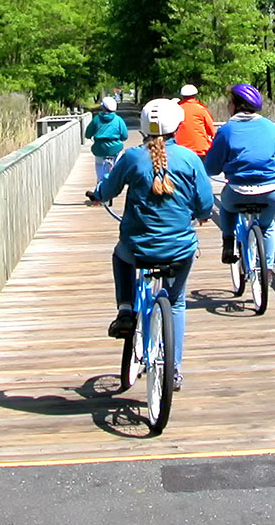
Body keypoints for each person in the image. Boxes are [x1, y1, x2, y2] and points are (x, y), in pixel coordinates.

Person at [86, 98, 213, 392]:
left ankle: (126, 309)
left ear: (142, 128)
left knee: (120, 255)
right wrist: (202, 216)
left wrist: (98, 195)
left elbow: (108, 189)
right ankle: (175, 369)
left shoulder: (131, 157)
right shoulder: (191, 159)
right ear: (178, 126)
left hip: (137, 247)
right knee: (177, 301)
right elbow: (205, 204)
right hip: (178, 249)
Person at [203, 83, 275, 271]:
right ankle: (267, 270)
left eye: (229, 102)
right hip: (269, 191)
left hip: (237, 191)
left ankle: (228, 242)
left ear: (235, 105)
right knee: (267, 226)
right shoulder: (270, 127)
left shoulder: (226, 130)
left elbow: (211, 167)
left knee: (227, 208)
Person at [84, 96, 128, 184]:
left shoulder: (96, 119)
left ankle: (100, 184)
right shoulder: (119, 120)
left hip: (100, 149)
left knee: (100, 166)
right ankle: (115, 180)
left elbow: (87, 134)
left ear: (103, 107)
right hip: (115, 149)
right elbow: (124, 136)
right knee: (117, 166)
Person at [173, 84, 216, 157]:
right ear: (195, 96)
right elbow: (212, 131)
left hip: (180, 151)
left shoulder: (176, 109)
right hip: (199, 151)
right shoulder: (200, 109)